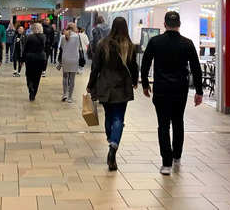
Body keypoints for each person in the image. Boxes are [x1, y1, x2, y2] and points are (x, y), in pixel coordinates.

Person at [141, 11, 203, 175]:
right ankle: (177, 156)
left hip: (161, 90)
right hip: (180, 90)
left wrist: (145, 85)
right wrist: (199, 91)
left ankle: (166, 163)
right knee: (178, 122)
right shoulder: (187, 43)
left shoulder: (155, 42)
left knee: (163, 125)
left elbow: (145, 64)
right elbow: (196, 68)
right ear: (179, 24)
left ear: (164, 24)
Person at [87, 17, 139, 172]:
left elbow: (95, 67)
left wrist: (90, 85)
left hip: (105, 85)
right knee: (118, 118)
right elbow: (133, 66)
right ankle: (113, 146)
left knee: (109, 116)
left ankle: (111, 140)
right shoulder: (129, 46)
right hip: (122, 87)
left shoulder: (102, 44)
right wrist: (135, 81)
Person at [21, 22, 47, 101]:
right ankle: (33, 94)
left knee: (29, 75)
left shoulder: (29, 37)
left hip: (30, 58)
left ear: (33, 29)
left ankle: (30, 87)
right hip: (40, 59)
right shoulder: (44, 37)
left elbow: (25, 49)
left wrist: (22, 60)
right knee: (37, 77)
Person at [58, 22, 83, 103]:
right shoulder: (77, 36)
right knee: (72, 79)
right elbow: (79, 47)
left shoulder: (63, 36)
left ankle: (64, 94)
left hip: (65, 58)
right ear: (74, 28)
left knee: (65, 77)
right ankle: (70, 97)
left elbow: (61, 47)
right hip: (74, 59)